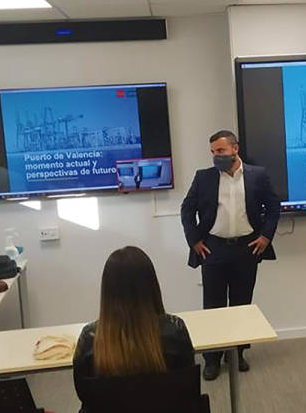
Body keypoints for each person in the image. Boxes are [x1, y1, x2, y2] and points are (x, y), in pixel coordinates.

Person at [180, 130, 280, 380]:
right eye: (213, 152)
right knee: (213, 306)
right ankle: (212, 359)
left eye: (220, 151)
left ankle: (237, 354)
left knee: (241, 304)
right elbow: (186, 209)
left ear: (235, 149)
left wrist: (266, 236)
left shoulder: (258, 175)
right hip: (213, 248)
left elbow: (274, 207)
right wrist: (194, 241)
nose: (216, 156)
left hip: (247, 248)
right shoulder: (204, 177)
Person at [73, 246, 195, 411]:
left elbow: (84, 394)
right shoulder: (175, 330)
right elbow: (188, 390)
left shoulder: (90, 338)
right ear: (152, 286)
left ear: (107, 290)